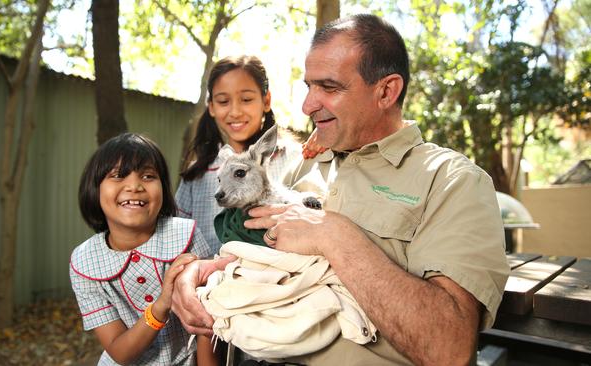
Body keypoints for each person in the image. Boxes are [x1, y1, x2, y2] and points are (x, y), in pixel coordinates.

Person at [171, 14, 510, 366]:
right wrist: (199, 274)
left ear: (386, 91)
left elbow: (449, 351)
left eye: (329, 88)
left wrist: (335, 236)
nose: (307, 106)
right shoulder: (304, 164)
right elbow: (258, 255)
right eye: (308, 87)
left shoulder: (450, 180)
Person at [69, 133, 216, 365]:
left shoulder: (186, 235)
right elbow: (120, 352)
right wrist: (162, 304)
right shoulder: (84, 262)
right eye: (117, 176)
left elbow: (208, 319)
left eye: (148, 176)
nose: (135, 186)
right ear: (95, 189)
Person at [175, 55, 301, 256]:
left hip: (282, 276)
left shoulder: (295, 158)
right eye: (223, 101)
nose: (235, 111)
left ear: (266, 100)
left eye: (246, 99)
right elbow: (178, 237)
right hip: (212, 280)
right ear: (212, 107)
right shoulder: (196, 175)